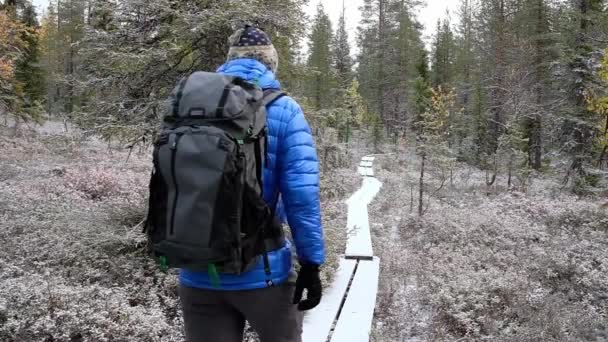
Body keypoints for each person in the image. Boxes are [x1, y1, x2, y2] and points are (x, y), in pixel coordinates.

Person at [178, 25, 325, 342]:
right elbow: (301, 196)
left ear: (228, 60)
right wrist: (311, 263)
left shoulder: (189, 105)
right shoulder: (285, 109)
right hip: (263, 274)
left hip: (197, 270)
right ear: (271, 62)